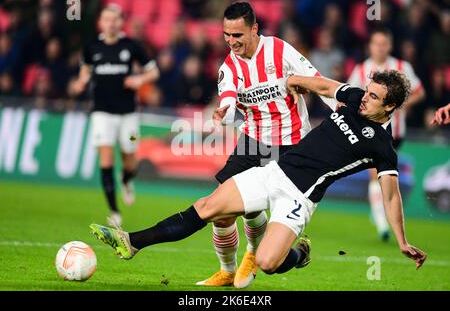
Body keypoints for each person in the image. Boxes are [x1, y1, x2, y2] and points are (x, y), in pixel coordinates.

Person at [90, 70, 427, 282]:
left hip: (300, 198)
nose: (364, 98)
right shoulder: (354, 99)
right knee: (207, 206)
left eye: (373, 97)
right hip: (273, 173)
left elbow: (391, 195)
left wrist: (401, 241)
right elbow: (326, 85)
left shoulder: (383, 147)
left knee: (267, 262)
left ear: (391, 108)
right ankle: (133, 242)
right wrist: (295, 81)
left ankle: (299, 255)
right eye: (367, 91)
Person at [193, 2, 335, 288]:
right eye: (226, 35)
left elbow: (318, 82)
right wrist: (226, 109)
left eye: (237, 35)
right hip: (252, 141)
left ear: (254, 28)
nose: (231, 42)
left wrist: (340, 115)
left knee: (254, 208)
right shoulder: (230, 65)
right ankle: (226, 269)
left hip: (292, 144)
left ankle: (258, 252)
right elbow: (230, 98)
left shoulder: (280, 50)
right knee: (220, 212)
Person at [73, 4, 159, 227]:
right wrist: (82, 80)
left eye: (115, 19)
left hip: (128, 114)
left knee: (131, 158)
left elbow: (154, 71)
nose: (110, 23)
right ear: (100, 23)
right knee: (106, 158)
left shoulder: (131, 46)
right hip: (102, 113)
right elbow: (85, 68)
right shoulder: (92, 47)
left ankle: (126, 179)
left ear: (121, 22)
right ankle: (114, 209)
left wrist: (139, 80)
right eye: (106, 19)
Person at [347, 28, 425, 241]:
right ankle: (382, 225)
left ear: (389, 46)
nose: (380, 47)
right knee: (376, 173)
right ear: (370, 46)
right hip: (371, 132)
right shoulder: (361, 69)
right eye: (376, 43)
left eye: (384, 43)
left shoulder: (402, 67)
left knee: (387, 178)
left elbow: (419, 92)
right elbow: (350, 96)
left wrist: (401, 104)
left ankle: (382, 216)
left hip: (396, 133)